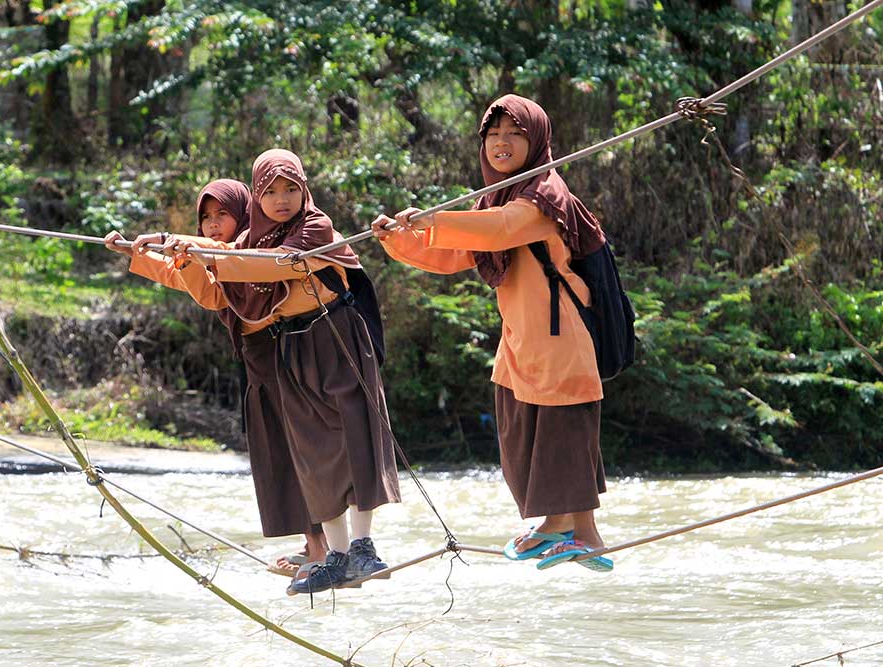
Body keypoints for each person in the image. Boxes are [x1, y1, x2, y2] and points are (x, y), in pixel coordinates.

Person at [371, 94, 613, 572]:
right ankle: (582, 534)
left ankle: (563, 527)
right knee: (519, 426)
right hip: (520, 337)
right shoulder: (495, 196)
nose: (501, 143)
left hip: (559, 333)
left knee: (561, 432)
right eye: (493, 135)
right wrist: (401, 240)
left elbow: (501, 230)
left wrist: (435, 220)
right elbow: (457, 253)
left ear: (536, 139)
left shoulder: (545, 193)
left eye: (514, 134)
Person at [176, 149, 401, 593]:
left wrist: (202, 253)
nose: (281, 199)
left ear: (304, 190)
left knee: (354, 437)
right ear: (257, 196)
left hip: (339, 337)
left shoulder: (315, 227)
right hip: (293, 346)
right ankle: (335, 557)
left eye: (290, 189)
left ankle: (363, 547)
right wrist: (159, 248)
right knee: (314, 453)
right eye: (271, 191)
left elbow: (277, 263)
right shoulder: (247, 243)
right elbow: (220, 268)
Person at [103, 178, 328, 577]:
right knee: (279, 453)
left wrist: (181, 249)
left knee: (300, 452)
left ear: (243, 213)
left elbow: (213, 293)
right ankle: (313, 545)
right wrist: (137, 255)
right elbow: (189, 281)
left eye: (221, 214)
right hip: (258, 361)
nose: (211, 224)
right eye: (205, 218)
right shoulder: (213, 255)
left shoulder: (251, 249)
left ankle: (322, 549)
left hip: (282, 353)